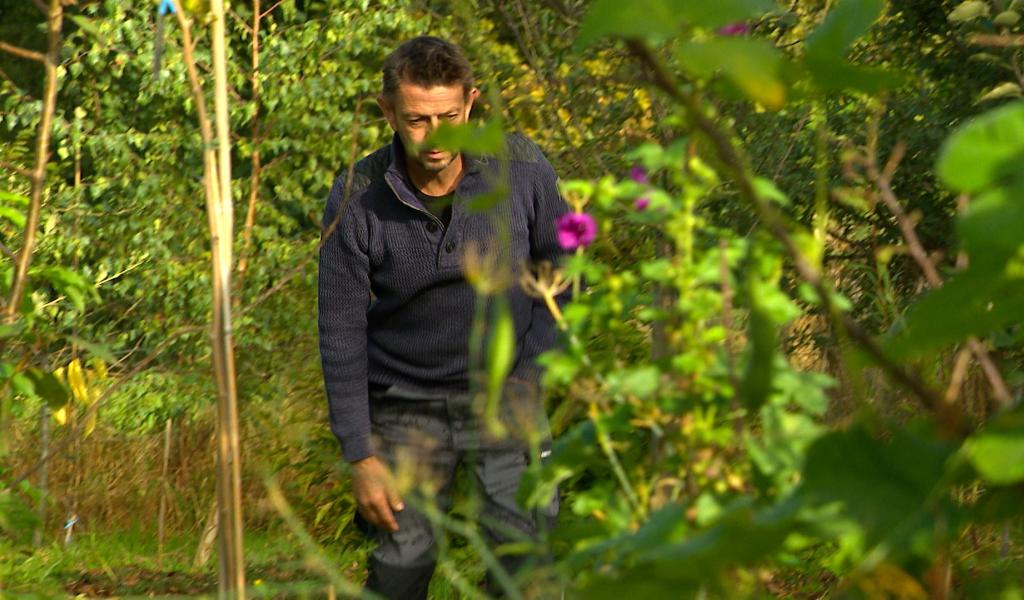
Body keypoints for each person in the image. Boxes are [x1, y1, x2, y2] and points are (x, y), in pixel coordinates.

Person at [317, 36, 568, 599]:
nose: (436, 138)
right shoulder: (357, 195)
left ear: (471, 104)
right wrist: (360, 453)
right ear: (388, 112)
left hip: (508, 399)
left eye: (449, 118)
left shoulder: (524, 169)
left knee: (524, 563)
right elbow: (339, 331)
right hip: (404, 407)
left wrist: (532, 378)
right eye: (417, 121)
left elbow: (563, 278)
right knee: (402, 565)